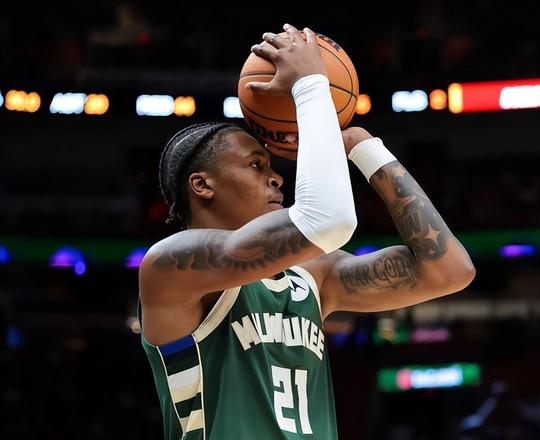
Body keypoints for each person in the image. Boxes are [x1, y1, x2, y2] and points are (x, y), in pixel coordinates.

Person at [138, 23, 475, 440]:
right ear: (202, 185)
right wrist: (311, 85)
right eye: (256, 165)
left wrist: (364, 148)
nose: (277, 178)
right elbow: (327, 220)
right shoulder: (171, 266)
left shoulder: (313, 277)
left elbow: (450, 270)